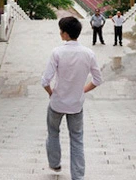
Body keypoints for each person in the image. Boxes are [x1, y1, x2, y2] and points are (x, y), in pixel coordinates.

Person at [41, 16, 103, 180]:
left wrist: (50, 93)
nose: (60, 33)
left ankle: (54, 163)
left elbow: (45, 81)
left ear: (66, 34)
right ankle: (78, 176)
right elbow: (98, 80)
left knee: (53, 132)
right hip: (76, 104)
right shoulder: (88, 53)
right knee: (77, 139)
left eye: (61, 31)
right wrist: (82, 90)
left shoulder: (57, 52)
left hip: (57, 103)